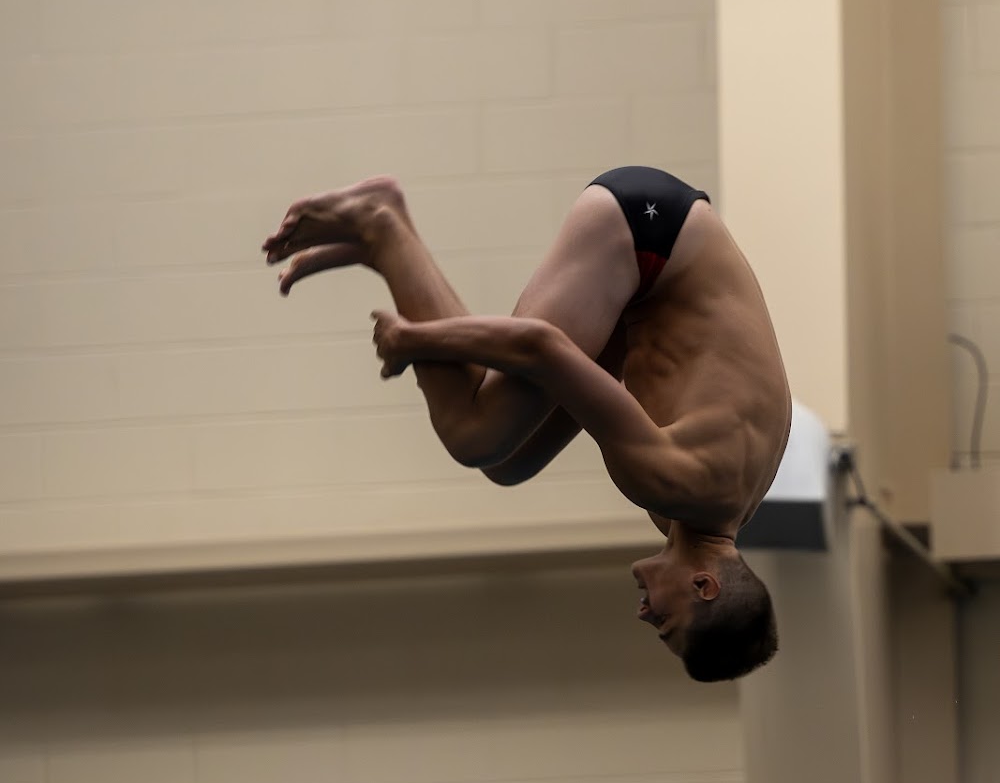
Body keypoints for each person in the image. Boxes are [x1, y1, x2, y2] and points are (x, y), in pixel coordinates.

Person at [262, 167, 792, 682]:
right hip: (644, 235)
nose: (645, 615)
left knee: (508, 461)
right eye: (665, 624)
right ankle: (381, 223)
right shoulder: (676, 487)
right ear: (704, 587)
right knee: (474, 434)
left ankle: (385, 245)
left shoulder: (725, 501)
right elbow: (541, 347)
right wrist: (411, 341)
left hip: (658, 260)